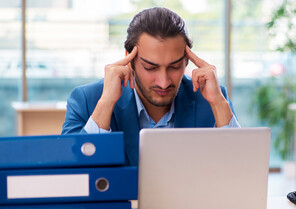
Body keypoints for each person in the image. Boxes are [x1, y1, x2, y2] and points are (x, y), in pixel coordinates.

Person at [62, 7, 240, 166]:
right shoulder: (87, 99)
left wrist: (218, 103)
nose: (163, 82)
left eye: (174, 66)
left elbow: (242, 168)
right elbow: (70, 171)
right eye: (150, 67)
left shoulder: (211, 98)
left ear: (187, 61)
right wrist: (106, 103)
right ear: (129, 60)